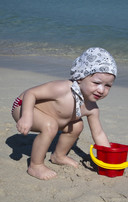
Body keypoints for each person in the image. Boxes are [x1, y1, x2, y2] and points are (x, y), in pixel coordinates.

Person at [11, 47, 117, 180]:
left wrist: (108, 158)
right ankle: (35, 165)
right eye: (96, 83)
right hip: (23, 106)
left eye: (108, 85)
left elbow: (98, 133)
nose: (101, 90)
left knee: (77, 125)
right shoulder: (62, 89)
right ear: (80, 77)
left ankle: (58, 156)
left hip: (50, 116)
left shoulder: (92, 109)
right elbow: (30, 93)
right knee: (50, 125)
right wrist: (26, 116)